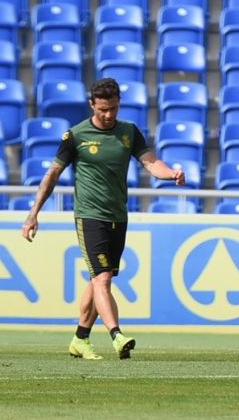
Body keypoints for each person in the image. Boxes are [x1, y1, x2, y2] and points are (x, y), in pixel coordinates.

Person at [22, 78, 186, 360]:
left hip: (118, 216)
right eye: (102, 110)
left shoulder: (129, 133)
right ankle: (116, 335)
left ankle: (80, 339)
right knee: (103, 277)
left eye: (112, 109)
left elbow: (150, 162)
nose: (108, 115)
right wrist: (33, 213)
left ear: (119, 104)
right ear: (91, 106)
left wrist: (171, 173)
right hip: (89, 216)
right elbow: (52, 176)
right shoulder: (76, 136)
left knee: (97, 280)